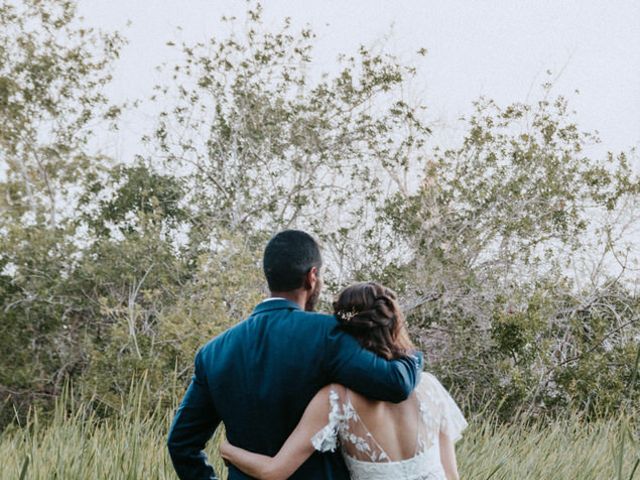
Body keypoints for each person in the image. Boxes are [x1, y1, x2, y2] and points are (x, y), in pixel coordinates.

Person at [167, 230, 424, 479]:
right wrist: (412, 354)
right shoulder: (328, 334)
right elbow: (396, 383)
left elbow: (181, 443)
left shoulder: (213, 353)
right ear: (312, 277)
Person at [220, 282, 467, 480]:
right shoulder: (429, 386)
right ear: (393, 325)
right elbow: (452, 475)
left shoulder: (335, 399)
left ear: (345, 332)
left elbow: (274, 471)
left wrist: (227, 449)